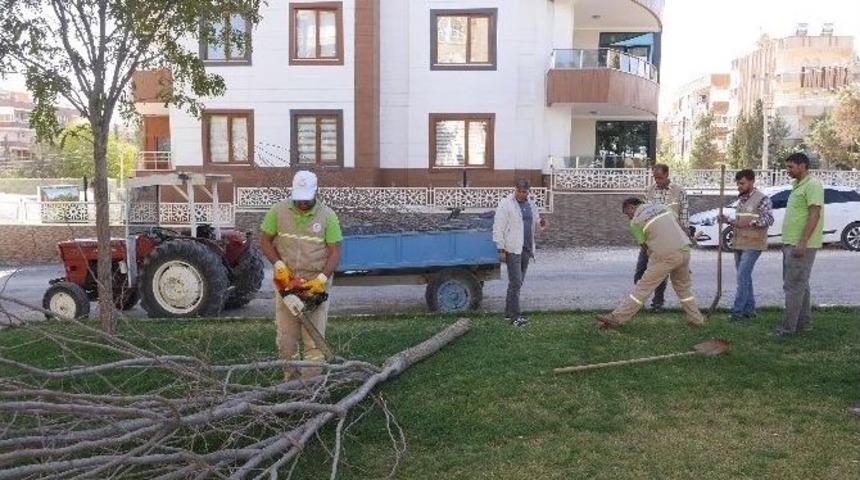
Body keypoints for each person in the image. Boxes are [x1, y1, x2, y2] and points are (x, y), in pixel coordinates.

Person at [259, 171, 343, 379]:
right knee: (285, 339)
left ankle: (311, 385)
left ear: (316, 193)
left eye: (307, 199)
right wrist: (278, 264)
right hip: (286, 281)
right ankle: (291, 380)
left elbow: (335, 252)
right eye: (299, 198)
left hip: (315, 281)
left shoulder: (328, 216)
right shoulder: (278, 211)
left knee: (313, 340)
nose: (302, 203)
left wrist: (322, 279)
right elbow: (265, 240)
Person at [597, 198, 705, 328]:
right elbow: (680, 226)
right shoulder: (663, 207)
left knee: (643, 288)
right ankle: (696, 319)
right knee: (684, 289)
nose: (628, 217)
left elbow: (645, 247)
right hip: (684, 251)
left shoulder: (636, 222)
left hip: (664, 255)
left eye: (627, 213)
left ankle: (617, 318)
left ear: (632, 207)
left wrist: (654, 263)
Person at [774, 152, 824, 337]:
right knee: (801, 284)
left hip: (801, 245)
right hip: (791, 243)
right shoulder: (797, 185)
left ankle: (788, 328)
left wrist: (802, 243)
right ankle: (803, 324)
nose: (788, 170)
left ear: (802, 166)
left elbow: (814, 215)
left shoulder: (812, 185)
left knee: (793, 286)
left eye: (790, 167)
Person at [718, 169, 774, 321]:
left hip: (753, 244)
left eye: (742, 183)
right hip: (739, 243)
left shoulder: (762, 199)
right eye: (737, 183)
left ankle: (737, 312)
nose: (739, 186)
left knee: (742, 276)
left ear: (751, 181)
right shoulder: (742, 199)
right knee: (745, 278)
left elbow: (768, 220)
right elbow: (739, 221)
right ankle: (749, 311)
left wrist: (751, 222)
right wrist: (727, 219)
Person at [492, 178, 547, 327]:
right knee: (516, 282)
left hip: (527, 249)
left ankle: (508, 313)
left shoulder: (530, 203)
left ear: (528, 191)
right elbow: (498, 227)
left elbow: (536, 218)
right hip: (513, 249)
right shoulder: (506, 204)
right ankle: (516, 317)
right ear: (515, 189)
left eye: (525, 192)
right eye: (520, 191)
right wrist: (501, 248)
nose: (522, 194)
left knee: (517, 283)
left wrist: (541, 222)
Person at [636, 164, 691, 311]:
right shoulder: (648, 191)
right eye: (655, 177)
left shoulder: (679, 192)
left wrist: (685, 238)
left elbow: (684, 217)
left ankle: (657, 303)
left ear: (667, 175)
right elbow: (642, 214)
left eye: (660, 177)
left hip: (670, 240)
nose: (657, 180)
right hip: (651, 239)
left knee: (661, 272)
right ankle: (637, 303)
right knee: (641, 271)